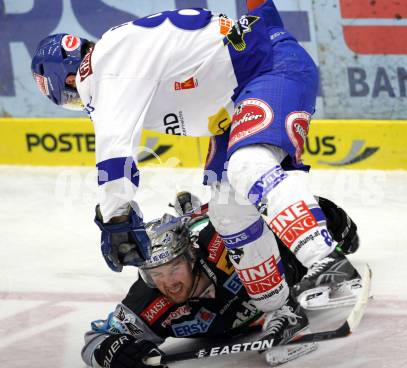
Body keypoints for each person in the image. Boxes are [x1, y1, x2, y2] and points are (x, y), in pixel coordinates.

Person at [31, 0, 358, 349]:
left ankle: (324, 260)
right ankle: (280, 310)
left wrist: (115, 220)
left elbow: (114, 150)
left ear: (65, 78)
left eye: (67, 97)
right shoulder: (119, 58)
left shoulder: (101, 69)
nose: (78, 102)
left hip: (270, 68)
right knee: (228, 214)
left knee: (249, 164)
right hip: (238, 97)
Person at [82, 194, 361, 368]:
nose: (169, 283)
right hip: (244, 317)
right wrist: (113, 352)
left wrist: (323, 220)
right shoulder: (149, 300)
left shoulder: (221, 244)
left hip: (290, 268)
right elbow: (95, 340)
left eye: (174, 268)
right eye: (157, 274)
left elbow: (267, 206)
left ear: (191, 257)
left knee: (325, 225)